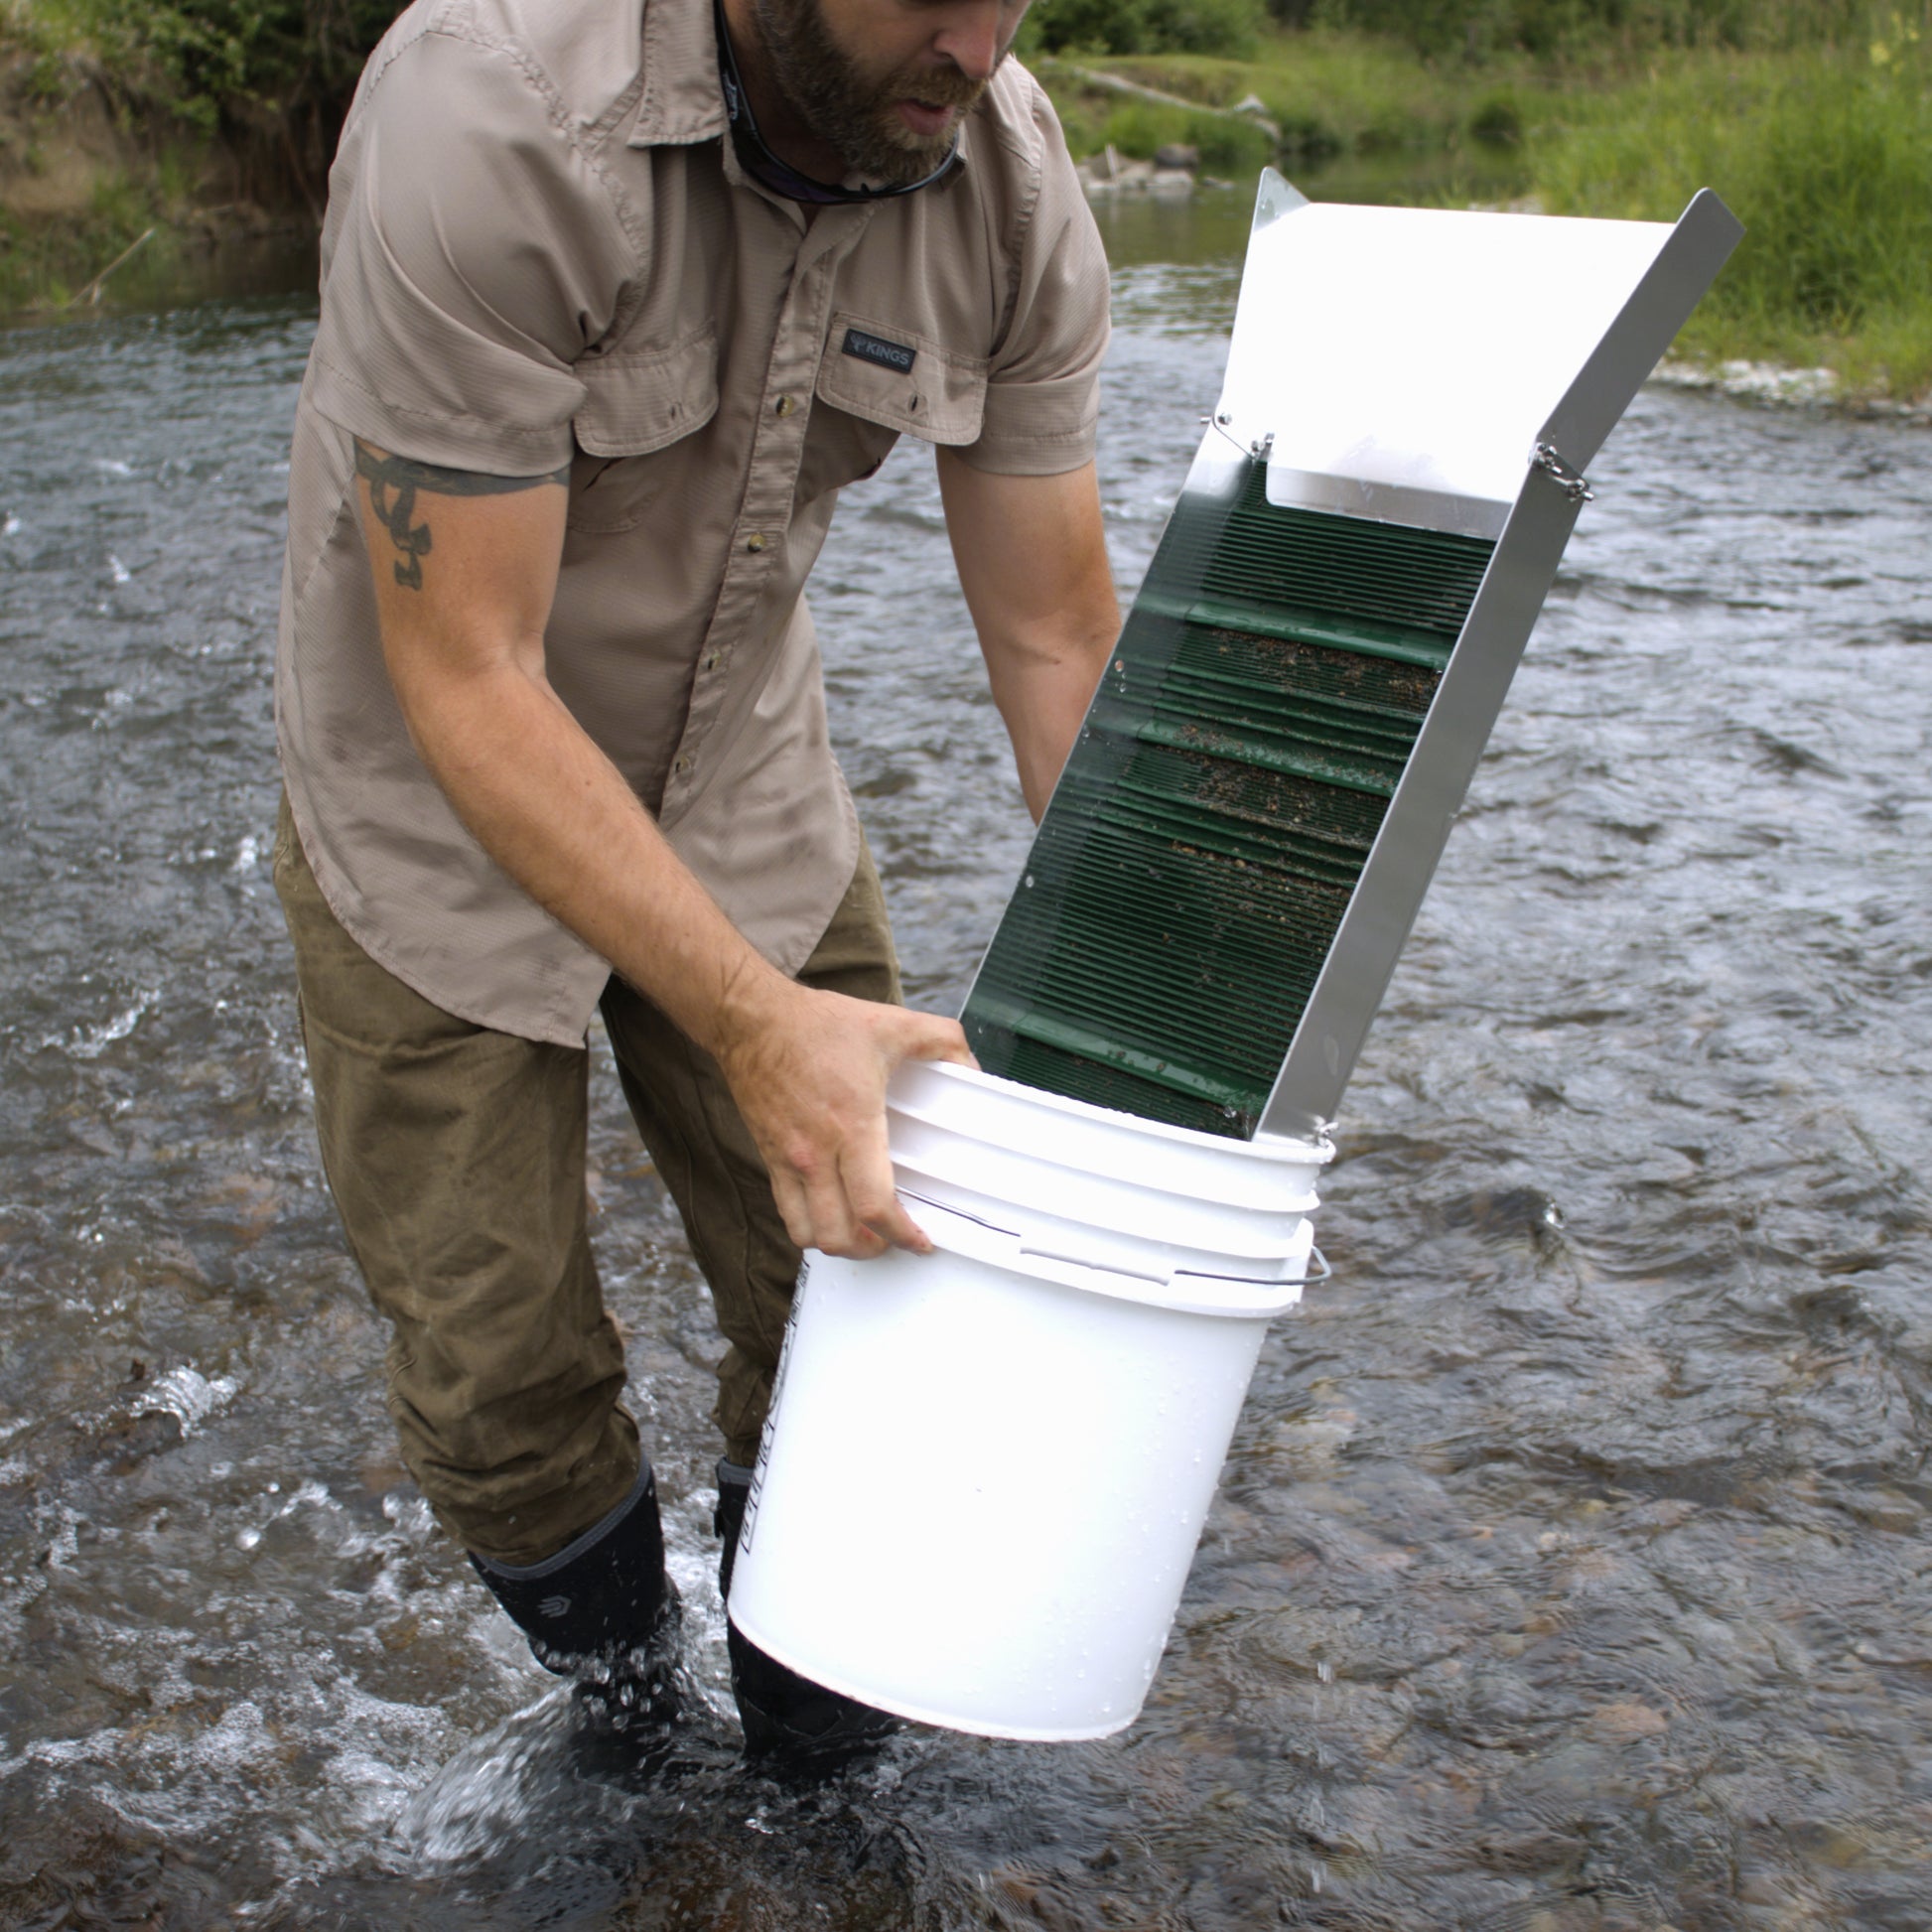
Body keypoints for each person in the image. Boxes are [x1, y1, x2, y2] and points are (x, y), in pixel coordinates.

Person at [272, 0, 1117, 1756]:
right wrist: (747, 1021)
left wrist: (1175, 1027)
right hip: (435, 782)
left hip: (736, 768)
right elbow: (468, 678)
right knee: (500, 1373)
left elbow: (1051, 633)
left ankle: (811, 1769)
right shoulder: (486, 114)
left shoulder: (1009, 184)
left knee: (870, 1295)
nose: (974, 41)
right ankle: (634, 1726)